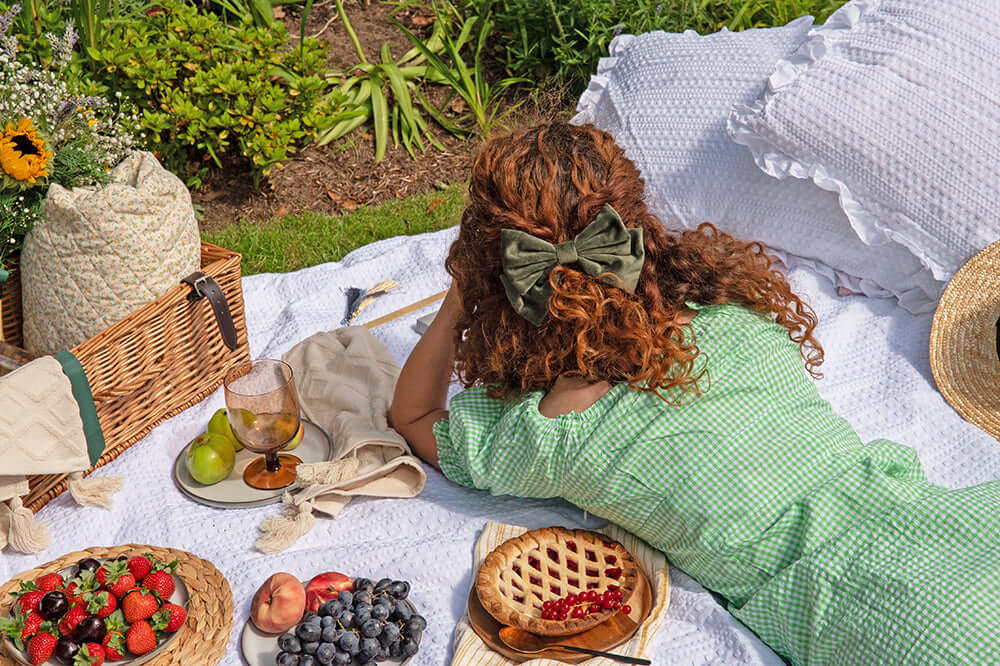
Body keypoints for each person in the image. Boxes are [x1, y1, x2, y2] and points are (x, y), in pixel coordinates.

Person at [388, 122, 1000, 665]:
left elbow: (411, 413)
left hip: (844, 602)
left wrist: (457, 302)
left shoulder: (549, 432)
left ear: (509, 280)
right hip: (944, 520)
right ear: (636, 233)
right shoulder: (731, 313)